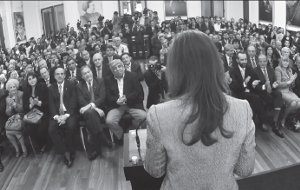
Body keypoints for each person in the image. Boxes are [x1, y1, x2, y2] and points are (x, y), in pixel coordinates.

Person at [144, 31, 255, 190]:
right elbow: (245, 169)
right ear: (216, 65)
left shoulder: (158, 114)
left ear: (174, 69)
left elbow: (155, 170)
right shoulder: (242, 109)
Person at [105, 59, 146, 142]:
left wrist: (126, 98)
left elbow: (137, 92)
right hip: (117, 106)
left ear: (123, 66)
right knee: (109, 121)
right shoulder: (108, 80)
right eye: (114, 68)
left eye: (119, 66)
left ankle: (143, 135)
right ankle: (122, 136)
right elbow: (108, 96)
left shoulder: (133, 76)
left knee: (145, 117)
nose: (117, 69)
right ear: (112, 71)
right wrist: (117, 100)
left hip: (132, 104)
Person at [77, 65, 112, 160]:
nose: (87, 74)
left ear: (92, 72)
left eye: (88, 72)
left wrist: (91, 106)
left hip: (101, 109)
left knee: (90, 117)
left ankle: (96, 149)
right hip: (90, 112)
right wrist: (94, 108)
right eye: (84, 73)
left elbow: (102, 97)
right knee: (91, 114)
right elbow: (81, 101)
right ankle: (102, 137)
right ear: (82, 76)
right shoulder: (79, 86)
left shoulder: (100, 81)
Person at [48, 67, 77, 168]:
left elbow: (74, 102)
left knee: (70, 126)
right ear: (54, 76)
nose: (60, 76)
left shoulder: (71, 85)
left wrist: (66, 115)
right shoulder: (51, 88)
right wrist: (57, 117)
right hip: (57, 115)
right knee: (51, 129)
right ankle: (64, 152)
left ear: (65, 75)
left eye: (61, 74)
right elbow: (51, 105)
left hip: (69, 113)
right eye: (57, 74)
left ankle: (71, 150)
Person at [23, 72, 50, 152]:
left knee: (41, 129)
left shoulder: (43, 86)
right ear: (27, 81)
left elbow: (48, 102)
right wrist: (31, 105)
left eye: (33, 78)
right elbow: (25, 106)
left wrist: (39, 103)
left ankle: (45, 144)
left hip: (44, 112)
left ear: (36, 78)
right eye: (29, 79)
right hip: (32, 113)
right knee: (28, 129)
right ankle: (38, 144)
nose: (32, 80)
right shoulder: (26, 90)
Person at [275, 56, 300, 131]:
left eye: (287, 61)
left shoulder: (289, 70)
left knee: (297, 104)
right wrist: (289, 81)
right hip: (281, 91)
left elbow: (291, 84)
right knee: (295, 102)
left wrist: (292, 81)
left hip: (289, 91)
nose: (285, 63)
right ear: (281, 62)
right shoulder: (278, 69)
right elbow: (278, 84)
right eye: (284, 61)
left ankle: (284, 118)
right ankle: (284, 119)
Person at [5, 79, 27, 157]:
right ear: (8, 89)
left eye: (14, 86)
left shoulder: (21, 94)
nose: (13, 88)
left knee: (16, 130)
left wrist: (15, 104)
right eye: (11, 87)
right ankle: (17, 149)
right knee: (8, 132)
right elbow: (7, 113)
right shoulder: (8, 98)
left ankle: (24, 149)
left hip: (23, 115)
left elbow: (23, 109)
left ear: (16, 87)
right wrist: (10, 107)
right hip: (14, 117)